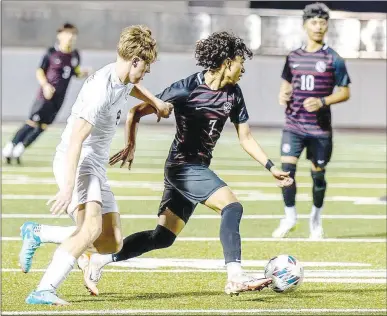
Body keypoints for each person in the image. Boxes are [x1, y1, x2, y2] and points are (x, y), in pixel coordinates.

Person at [85, 31, 293, 296]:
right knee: (232, 207)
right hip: (183, 168)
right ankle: (235, 276)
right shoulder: (186, 87)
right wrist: (130, 144)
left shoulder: (234, 94)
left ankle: (99, 259)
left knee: (163, 238)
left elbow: (246, 137)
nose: (243, 69)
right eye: (241, 62)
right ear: (227, 62)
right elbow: (136, 111)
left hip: (192, 169)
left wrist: (271, 167)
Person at [23, 25, 172, 306]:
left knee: (110, 242)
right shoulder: (100, 91)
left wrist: (156, 102)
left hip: (94, 164)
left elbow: (133, 86)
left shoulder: (121, 75)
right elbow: (76, 140)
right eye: (147, 66)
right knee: (90, 229)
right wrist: (67, 189)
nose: (148, 71)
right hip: (80, 161)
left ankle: (39, 233)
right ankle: (43, 289)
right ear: (135, 60)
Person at [272, 2, 351, 239]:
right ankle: (289, 217)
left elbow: (345, 92)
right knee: (286, 172)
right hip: (294, 125)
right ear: (305, 25)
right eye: (314, 22)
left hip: (320, 129)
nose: (318, 27)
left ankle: (316, 219)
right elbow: (286, 83)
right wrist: (282, 94)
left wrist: (323, 101)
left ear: (327, 26)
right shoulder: (293, 56)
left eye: (323, 22)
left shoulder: (333, 58)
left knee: (318, 174)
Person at [2, 23, 91, 164]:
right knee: (32, 122)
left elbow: (74, 71)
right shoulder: (51, 52)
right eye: (67, 34)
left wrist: (83, 73)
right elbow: (40, 70)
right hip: (45, 96)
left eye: (73, 35)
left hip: (59, 98)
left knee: (43, 126)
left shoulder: (75, 55)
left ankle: (20, 149)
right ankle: (9, 147)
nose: (70, 37)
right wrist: (45, 85)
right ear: (60, 35)